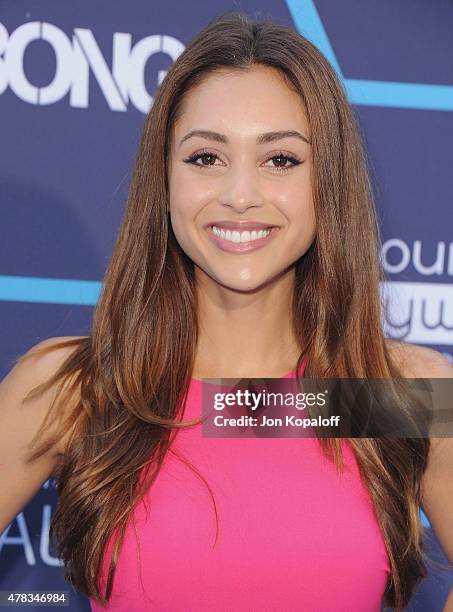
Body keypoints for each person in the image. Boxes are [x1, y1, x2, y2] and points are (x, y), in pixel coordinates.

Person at [1, 11, 452, 612]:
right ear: (164, 180)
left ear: (330, 184)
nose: (240, 194)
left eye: (281, 160)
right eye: (206, 157)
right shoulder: (86, 389)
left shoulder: (397, 394)